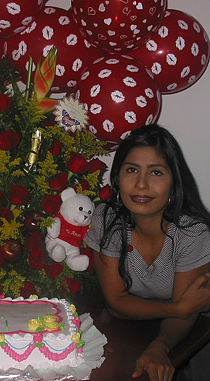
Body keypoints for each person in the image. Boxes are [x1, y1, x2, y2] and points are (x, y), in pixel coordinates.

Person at [83, 124, 210, 381]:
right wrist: (177, 307)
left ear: (174, 180)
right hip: (135, 324)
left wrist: (160, 345)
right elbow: (116, 303)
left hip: (197, 329)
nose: (141, 184)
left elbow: (190, 311)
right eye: (132, 170)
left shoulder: (193, 233)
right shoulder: (106, 220)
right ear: (118, 177)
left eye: (156, 172)